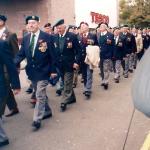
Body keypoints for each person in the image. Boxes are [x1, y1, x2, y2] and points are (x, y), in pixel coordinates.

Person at [15, 15, 57, 131]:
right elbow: (21, 54)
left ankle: (37, 119)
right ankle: (47, 111)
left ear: (38, 23)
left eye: (33, 22)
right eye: (29, 23)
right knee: (41, 93)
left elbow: (53, 56)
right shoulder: (26, 38)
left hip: (44, 71)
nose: (31, 25)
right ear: (27, 25)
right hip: (32, 72)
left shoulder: (47, 37)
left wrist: (53, 71)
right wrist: (13, 63)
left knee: (39, 94)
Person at [53, 19, 81, 111]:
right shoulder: (55, 37)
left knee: (67, 82)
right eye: (57, 28)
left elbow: (78, 51)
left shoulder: (72, 36)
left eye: (60, 27)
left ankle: (63, 102)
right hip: (59, 65)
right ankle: (72, 98)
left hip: (70, 64)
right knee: (65, 82)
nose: (58, 29)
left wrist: (76, 62)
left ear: (64, 27)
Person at [0, 40, 20, 147]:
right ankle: (2, 138)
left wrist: (16, 84)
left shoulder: (2, 44)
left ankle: (2, 139)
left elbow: (10, 64)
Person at [0, 14, 20, 117]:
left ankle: (2, 112)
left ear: (2, 21)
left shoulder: (10, 34)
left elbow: (16, 52)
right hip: (1, 66)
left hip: (8, 66)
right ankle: (13, 107)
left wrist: (16, 66)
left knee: (4, 87)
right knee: (5, 87)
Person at [78, 22, 98, 98]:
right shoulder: (78, 36)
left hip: (90, 58)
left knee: (89, 73)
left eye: (83, 26)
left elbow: (97, 45)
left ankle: (88, 89)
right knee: (84, 74)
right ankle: (86, 87)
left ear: (87, 27)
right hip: (82, 58)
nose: (82, 28)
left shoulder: (93, 35)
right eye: (81, 27)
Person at [98, 23, 114, 90]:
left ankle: (106, 82)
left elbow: (112, 45)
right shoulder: (99, 35)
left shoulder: (110, 35)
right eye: (100, 26)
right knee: (101, 69)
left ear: (105, 27)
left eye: (101, 26)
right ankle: (103, 80)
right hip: (100, 55)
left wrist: (111, 54)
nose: (100, 27)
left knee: (105, 69)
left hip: (107, 55)